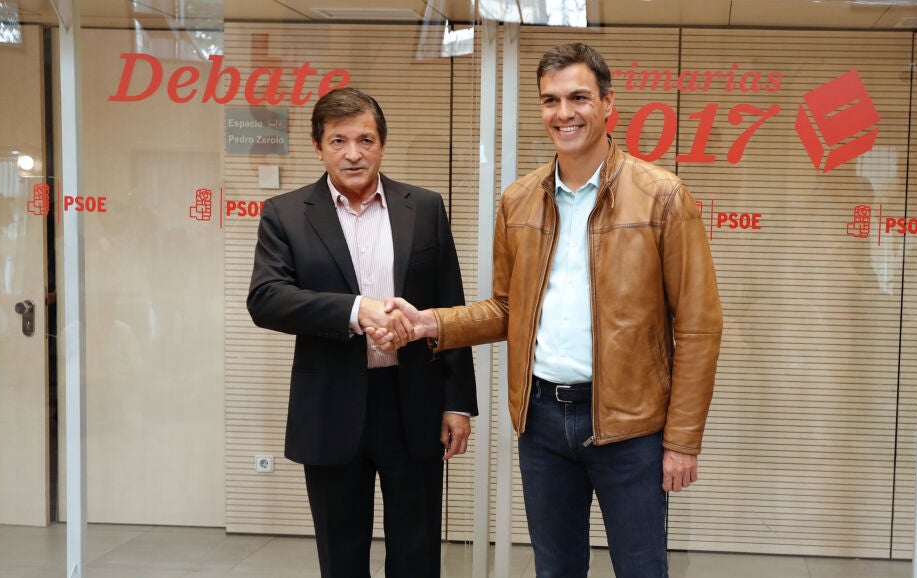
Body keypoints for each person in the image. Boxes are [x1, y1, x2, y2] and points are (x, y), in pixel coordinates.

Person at [373, 43, 722, 577]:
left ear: (608, 104)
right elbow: (508, 308)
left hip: (632, 427)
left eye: (579, 97)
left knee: (641, 569)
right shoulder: (518, 200)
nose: (564, 113)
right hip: (541, 423)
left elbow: (698, 327)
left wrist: (682, 441)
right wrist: (431, 323)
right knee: (554, 569)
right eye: (551, 100)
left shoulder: (663, 197)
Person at [246, 87, 478, 578]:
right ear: (318, 147)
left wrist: (457, 402)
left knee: (417, 555)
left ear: (382, 144)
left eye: (365, 140)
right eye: (339, 141)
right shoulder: (286, 213)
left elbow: (450, 305)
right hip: (330, 405)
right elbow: (266, 298)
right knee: (342, 556)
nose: (353, 153)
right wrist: (356, 310)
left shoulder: (425, 207)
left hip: (412, 402)